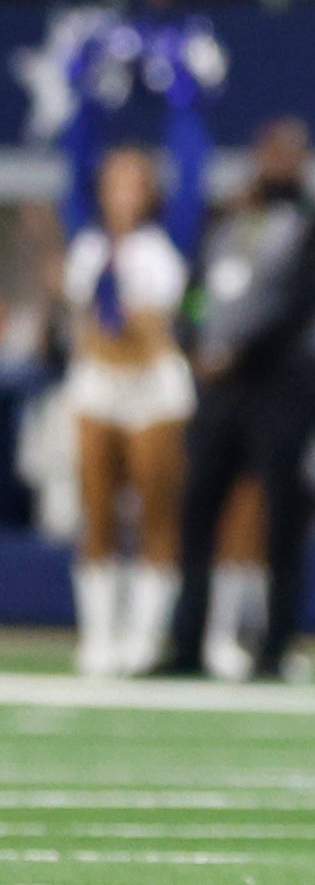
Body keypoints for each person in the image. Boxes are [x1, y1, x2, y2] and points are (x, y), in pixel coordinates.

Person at [160, 119, 315, 682]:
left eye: (288, 155)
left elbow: (301, 305)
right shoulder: (227, 221)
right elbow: (194, 295)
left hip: (280, 387)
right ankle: (188, 640)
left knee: (281, 517)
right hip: (219, 391)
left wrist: (238, 350)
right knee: (197, 512)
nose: (276, 164)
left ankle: (275, 645)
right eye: (269, 153)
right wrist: (195, 342)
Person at [59, 43, 209, 677]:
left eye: (133, 181)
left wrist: (182, 100)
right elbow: (72, 161)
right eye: (112, 180)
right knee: (94, 510)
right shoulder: (87, 240)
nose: (121, 191)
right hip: (98, 383)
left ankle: (145, 635)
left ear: (149, 190)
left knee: (155, 511)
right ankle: (99, 633)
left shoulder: (165, 241)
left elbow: (194, 169)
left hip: (153, 385)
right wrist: (89, 90)